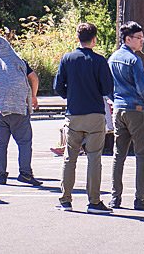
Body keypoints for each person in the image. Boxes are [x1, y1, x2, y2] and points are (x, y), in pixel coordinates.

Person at [53, 21, 114, 213]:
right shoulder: (99, 61)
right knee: (94, 157)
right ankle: (94, 201)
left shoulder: (67, 59)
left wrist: (69, 95)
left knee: (70, 157)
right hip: (95, 113)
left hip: (74, 113)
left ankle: (66, 199)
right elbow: (107, 89)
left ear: (78, 38)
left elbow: (58, 86)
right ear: (94, 39)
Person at [0, 36, 41, 186]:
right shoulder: (20, 62)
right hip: (20, 109)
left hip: (0, 110)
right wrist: (33, 96)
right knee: (24, 143)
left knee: (0, 144)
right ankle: (25, 174)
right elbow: (34, 78)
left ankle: (1, 175)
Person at [109, 21, 144, 210]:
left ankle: (115, 197)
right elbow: (142, 88)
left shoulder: (112, 58)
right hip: (136, 109)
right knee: (142, 154)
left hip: (118, 108)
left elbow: (107, 87)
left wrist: (115, 100)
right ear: (128, 39)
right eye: (139, 38)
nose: (142, 41)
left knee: (118, 154)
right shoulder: (134, 60)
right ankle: (140, 198)